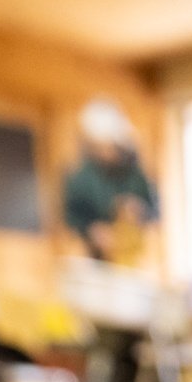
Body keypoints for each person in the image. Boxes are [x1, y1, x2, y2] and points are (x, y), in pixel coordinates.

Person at [63, 100, 158, 264]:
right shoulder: (81, 176)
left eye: (109, 146)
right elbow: (73, 215)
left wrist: (140, 209)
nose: (105, 152)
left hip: (133, 255)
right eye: (99, 147)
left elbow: (154, 209)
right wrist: (91, 229)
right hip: (95, 256)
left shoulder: (135, 173)